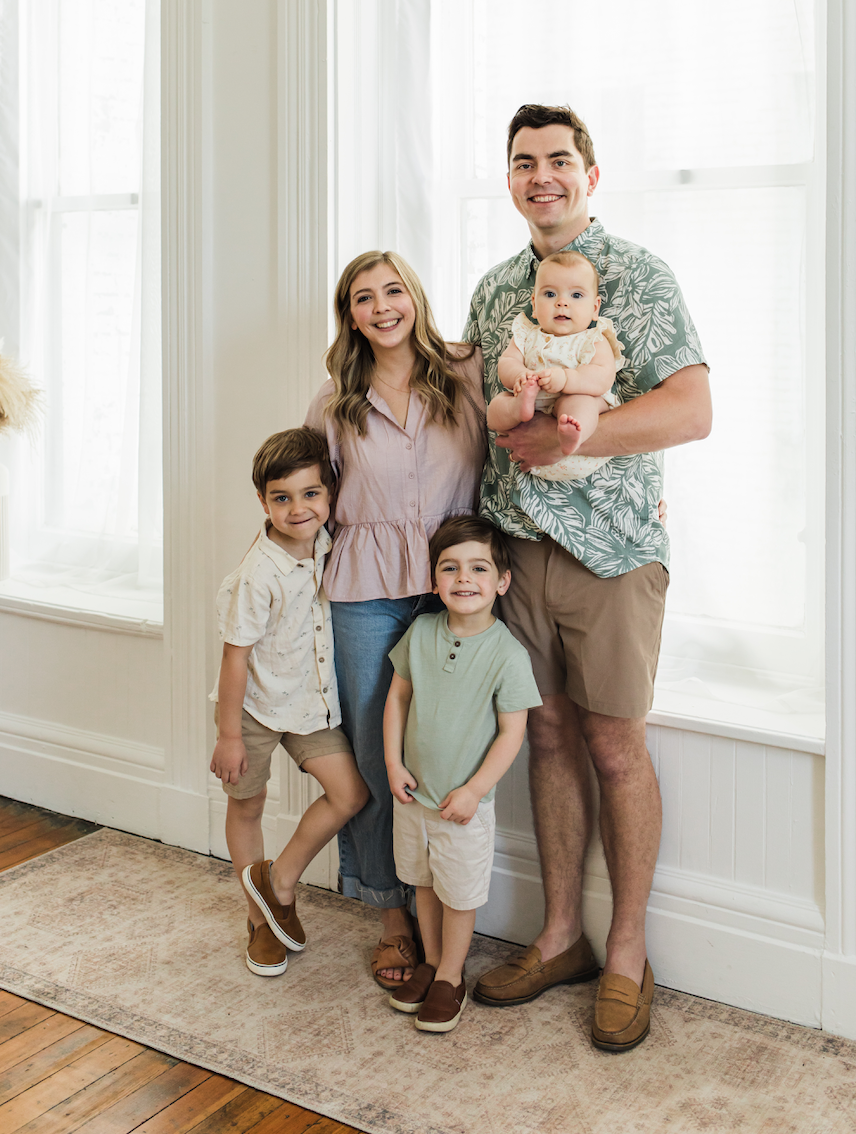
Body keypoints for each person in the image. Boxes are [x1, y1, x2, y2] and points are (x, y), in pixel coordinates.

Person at [467, 104, 712, 1052]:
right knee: (549, 740)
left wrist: (573, 436)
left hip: (613, 552)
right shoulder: (496, 292)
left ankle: (625, 953)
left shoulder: (638, 277)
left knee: (616, 746)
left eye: (560, 160)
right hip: (515, 551)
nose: (543, 177)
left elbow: (692, 409)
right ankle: (560, 935)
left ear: (591, 174)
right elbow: (477, 398)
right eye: (525, 162)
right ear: (512, 177)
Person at [304, 251, 487, 990]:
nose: (382, 308)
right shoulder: (333, 401)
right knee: (378, 762)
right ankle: (388, 913)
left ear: (414, 296)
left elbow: (522, 445)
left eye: (393, 291)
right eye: (363, 298)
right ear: (349, 315)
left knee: (451, 753)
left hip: (454, 590)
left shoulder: (466, 374)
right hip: (366, 593)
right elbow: (307, 497)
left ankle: (450, 907)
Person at [209, 428, 368, 977]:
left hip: (308, 703)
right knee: (247, 804)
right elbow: (234, 659)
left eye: (310, 494)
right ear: (263, 502)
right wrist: (229, 735)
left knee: (349, 793)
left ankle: (279, 882)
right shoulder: (259, 573)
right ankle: (259, 919)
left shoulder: (331, 541)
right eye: (282, 497)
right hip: (253, 708)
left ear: (329, 494)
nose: (298, 508)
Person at [383, 516, 542, 1031]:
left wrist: (475, 791)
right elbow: (398, 697)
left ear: (502, 581)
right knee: (423, 886)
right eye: (450, 568)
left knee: (458, 893)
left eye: (478, 568)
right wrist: (392, 762)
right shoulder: (421, 630)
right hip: (414, 798)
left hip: (463, 809)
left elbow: (511, 734)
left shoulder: (508, 655)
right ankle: (430, 961)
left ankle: (451, 976)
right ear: (434, 580)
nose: (463, 578)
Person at [486, 250, 624, 481]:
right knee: (498, 405)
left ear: (595, 307)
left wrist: (567, 380)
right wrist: (519, 375)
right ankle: (519, 407)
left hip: (573, 440)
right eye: (550, 294)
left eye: (576, 295)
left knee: (581, 403)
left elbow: (602, 376)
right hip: (528, 429)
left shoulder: (593, 339)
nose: (562, 303)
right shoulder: (526, 335)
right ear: (534, 303)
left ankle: (572, 435)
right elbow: (507, 362)